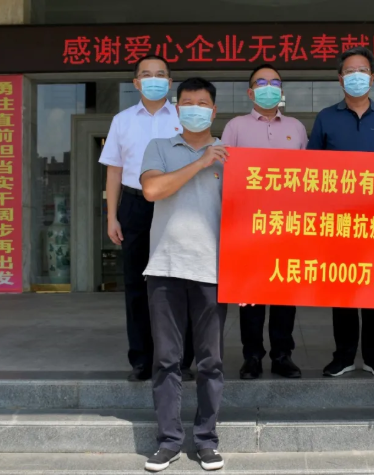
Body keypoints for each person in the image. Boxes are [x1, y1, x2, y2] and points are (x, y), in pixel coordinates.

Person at [140, 78, 227, 472]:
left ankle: (206, 441)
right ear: (177, 109)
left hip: (213, 270)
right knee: (166, 360)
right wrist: (201, 162)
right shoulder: (159, 147)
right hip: (166, 266)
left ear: (214, 110)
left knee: (211, 361)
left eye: (203, 103)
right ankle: (169, 441)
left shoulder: (230, 153)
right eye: (188, 102)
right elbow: (152, 190)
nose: (195, 109)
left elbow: (249, 214)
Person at [307, 46, 374, 378]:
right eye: (349, 72)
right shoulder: (326, 117)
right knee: (342, 288)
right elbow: (310, 167)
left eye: (362, 71)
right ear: (340, 79)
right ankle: (345, 355)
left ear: (372, 78)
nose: (356, 77)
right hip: (338, 220)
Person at [98, 54, 194, 382]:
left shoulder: (183, 118)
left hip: (177, 204)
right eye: (147, 74)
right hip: (135, 205)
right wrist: (112, 217)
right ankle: (142, 359)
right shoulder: (122, 120)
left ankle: (181, 359)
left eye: (161, 74)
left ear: (170, 82)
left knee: (181, 281)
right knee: (137, 286)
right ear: (136, 82)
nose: (154, 79)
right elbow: (114, 171)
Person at [222, 64, 307, 380]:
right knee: (251, 295)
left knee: (284, 294)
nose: (269, 87)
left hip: (288, 224)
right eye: (261, 82)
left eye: (275, 83)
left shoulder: (296, 127)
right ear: (250, 92)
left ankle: (283, 355)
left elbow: (309, 175)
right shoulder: (235, 127)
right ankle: (252, 356)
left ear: (281, 91)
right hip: (249, 225)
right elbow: (224, 175)